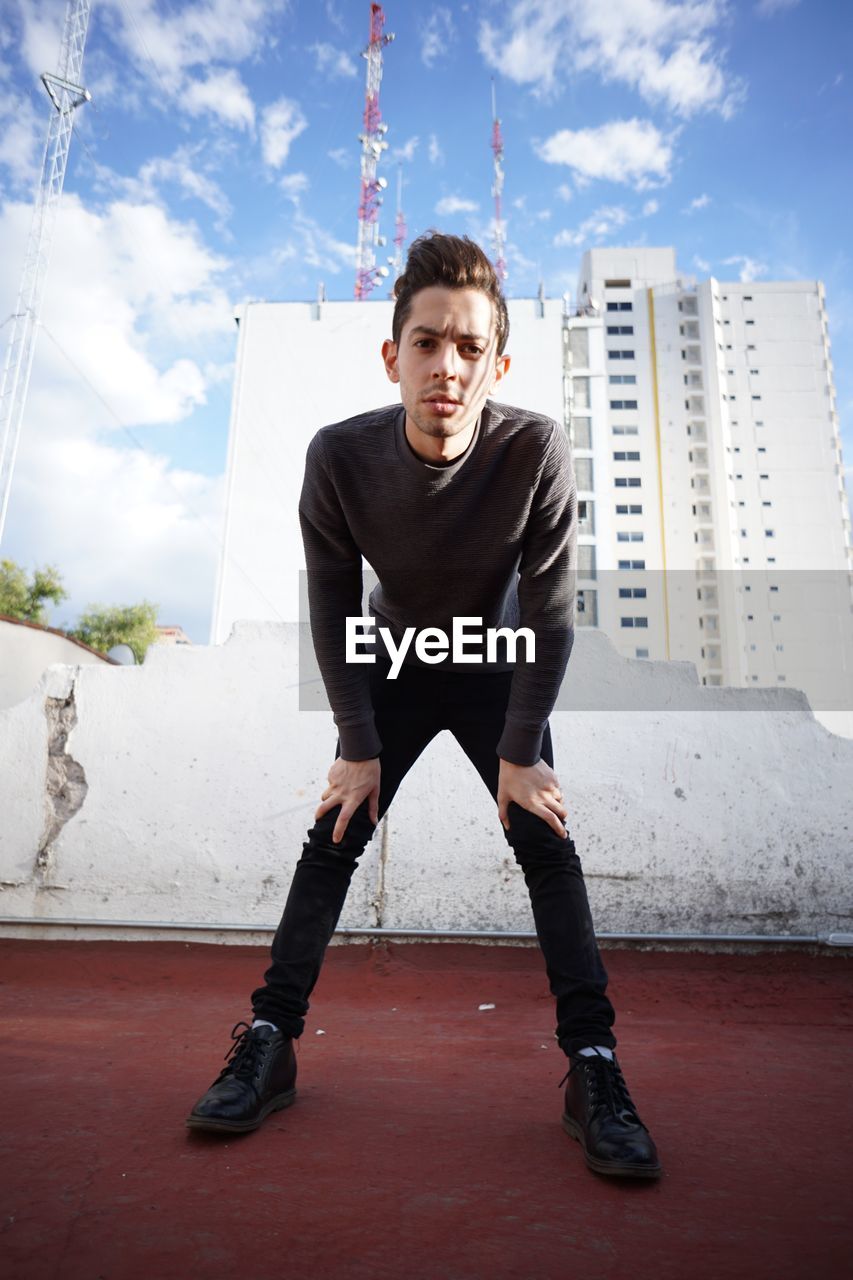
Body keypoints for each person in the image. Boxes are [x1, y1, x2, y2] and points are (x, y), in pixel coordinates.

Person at [187, 233, 661, 1179]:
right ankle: (270, 1045)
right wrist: (356, 743)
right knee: (333, 835)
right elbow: (330, 606)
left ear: (498, 363)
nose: (447, 366)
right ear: (392, 354)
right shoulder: (340, 458)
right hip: (396, 659)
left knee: (547, 844)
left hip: (499, 663)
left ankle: (594, 1068)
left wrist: (520, 754)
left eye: (469, 347)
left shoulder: (534, 449)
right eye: (427, 342)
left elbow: (555, 612)